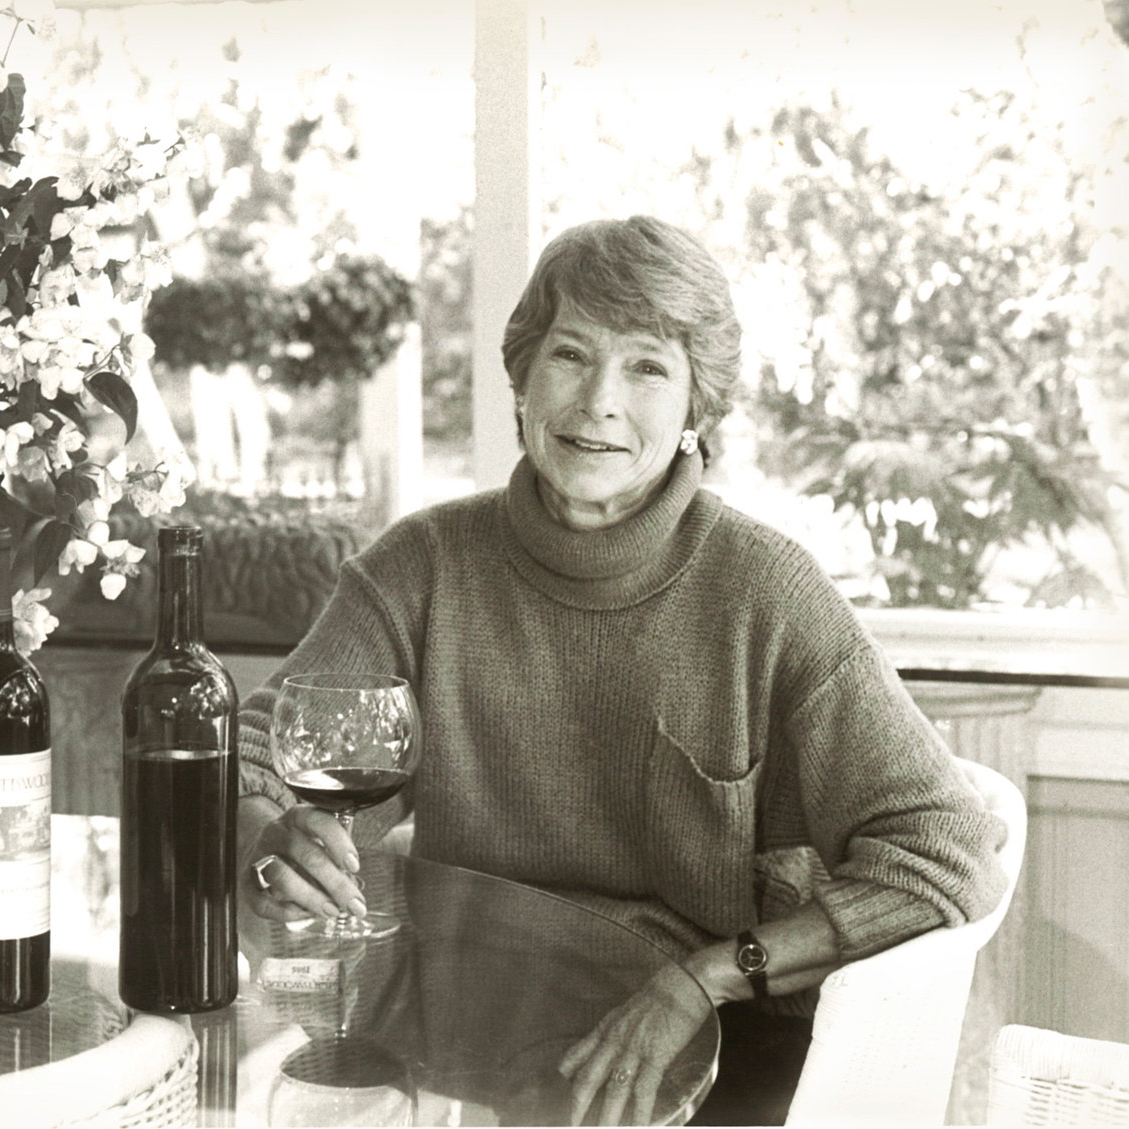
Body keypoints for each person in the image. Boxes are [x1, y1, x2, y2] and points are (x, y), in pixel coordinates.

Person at [233, 215, 1009, 1125]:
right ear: (521, 376)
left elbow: (945, 850)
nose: (599, 399)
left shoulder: (766, 592)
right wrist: (261, 830)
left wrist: (711, 974)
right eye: (569, 353)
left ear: (696, 410)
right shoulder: (425, 563)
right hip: (453, 1043)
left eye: (648, 366)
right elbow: (254, 751)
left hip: (700, 1055)